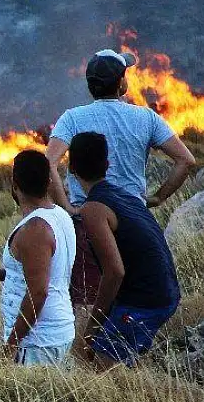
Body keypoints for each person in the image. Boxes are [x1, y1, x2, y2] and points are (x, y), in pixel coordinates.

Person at [46, 48, 196, 311]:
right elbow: (186, 160)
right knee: (135, 299)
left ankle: (91, 349)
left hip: (88, 221)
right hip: (134, 220)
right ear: (121, 82)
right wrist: (158, 197)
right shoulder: (146, 117)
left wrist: (68, 208)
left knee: (89, 303)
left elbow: (48, 163)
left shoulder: (72, 118)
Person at [66, 132, 181, 369]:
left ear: (71, 169)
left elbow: (114, 272)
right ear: (107, 165)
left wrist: (92, 328)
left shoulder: (93, 209)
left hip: (145, 300)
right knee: (125, 365)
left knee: (103, 370)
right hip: (164, 290)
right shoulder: (123, 195)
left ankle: (193, 401)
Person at [0, 150, 76, 367]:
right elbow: (47, 271)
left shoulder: (35, 229)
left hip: (38, 342)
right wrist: (5, 274)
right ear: (49, 181)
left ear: (14, 185)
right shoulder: (60, 215)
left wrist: (11, 344)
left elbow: (39, 292)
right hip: (54, 333)